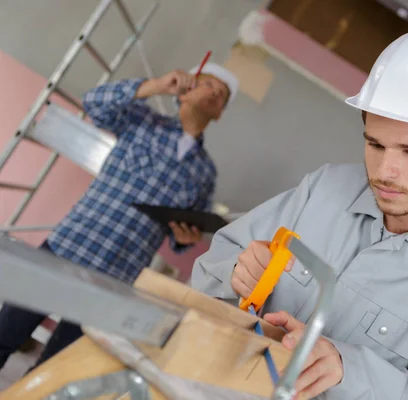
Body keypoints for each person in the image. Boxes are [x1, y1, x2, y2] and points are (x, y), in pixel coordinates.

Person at [192, 28, 408, 400]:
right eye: (375, 144)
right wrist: (235, 272)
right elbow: (210, 271)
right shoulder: (325, 188)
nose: (385, 171)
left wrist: (348, 370)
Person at [0, 63, 239, 371]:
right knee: (5, 334)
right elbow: (93, 103)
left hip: (117, 276)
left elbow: (184, 235)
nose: (214, 95)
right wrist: (154, 86)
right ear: (187, 88)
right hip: (69, 247)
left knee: (57, 368)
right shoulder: (142, 121)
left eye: (222, 97)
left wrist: (184, 239)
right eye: (209, 85)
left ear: (219, 114)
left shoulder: (205, 172)